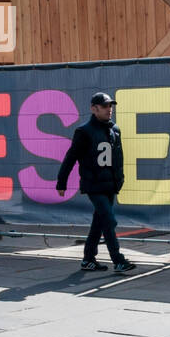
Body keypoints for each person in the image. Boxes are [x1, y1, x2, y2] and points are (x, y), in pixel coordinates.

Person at [57, 92, 136, 272]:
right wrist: (62, 181)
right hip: (94, 185)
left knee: (99, 222)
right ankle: (118, 260)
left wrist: (119, 180)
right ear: (94, 109)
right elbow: (71, 157)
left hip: (110, 185)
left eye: (111, 106)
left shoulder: (114, 129)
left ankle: (88, 259)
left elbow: (118, 158)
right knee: (108, 220)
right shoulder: (84, 132)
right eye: (105, 106)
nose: (110, 109)